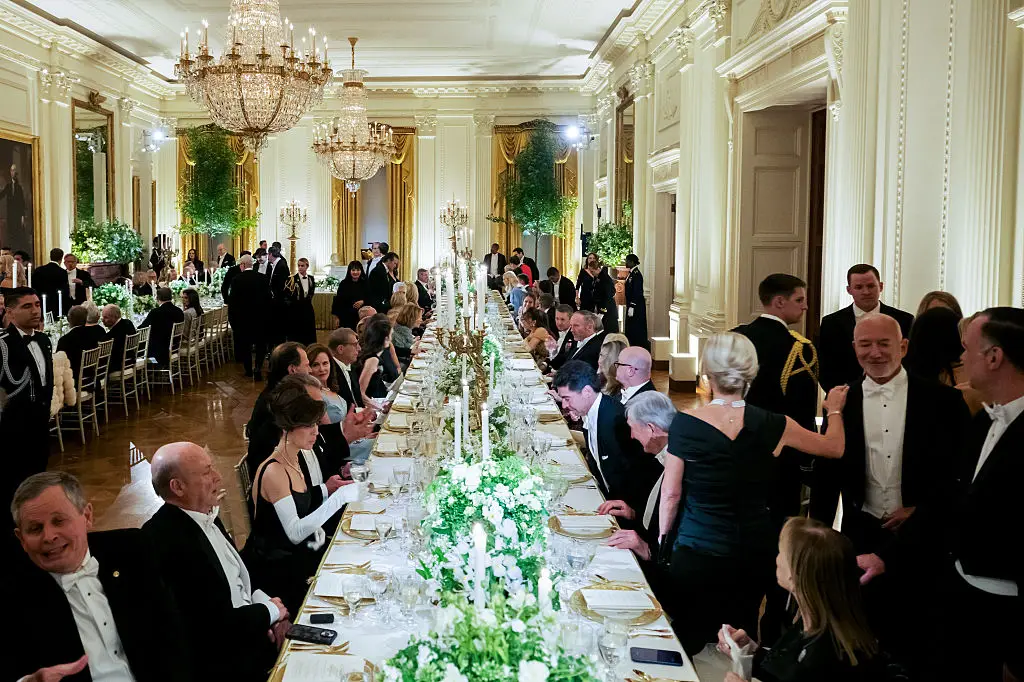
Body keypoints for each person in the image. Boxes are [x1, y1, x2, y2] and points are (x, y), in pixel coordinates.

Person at [858, 307, 1024, 682]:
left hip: (1008, 613)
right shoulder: (984, 419)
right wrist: (887, 557)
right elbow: (951, 497)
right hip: (960, 593)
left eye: (966, 348)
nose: (960, 358)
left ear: (994, 357)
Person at [659, 331, 849, 655]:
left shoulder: (685, 424)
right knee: (739, 636)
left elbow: (672, 494)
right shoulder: (776, 423)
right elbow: (834, 447)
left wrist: (664, 540)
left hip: (696, 548)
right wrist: (834, 410)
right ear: (753, 373)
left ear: (706, 372)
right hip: (753, 550)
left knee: (688, 634)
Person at [810, 314, 970, 656]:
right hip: (861, 530)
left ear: (904, 347)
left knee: (919, 630)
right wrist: (818, 539)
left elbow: (960, 473)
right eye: (865, 345)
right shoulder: (841, 402)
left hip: (923, 534)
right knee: (862, 630)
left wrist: (920, 510)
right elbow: (828, 476)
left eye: (884, 344)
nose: (875, 353)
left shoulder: (943, 400)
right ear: (854, 348)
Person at [9, 471, 193, 681]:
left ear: (87, 516)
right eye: (35, 529)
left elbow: (175, 634)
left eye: (59, 521)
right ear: (21, 539)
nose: (49, 536)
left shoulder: (132, 550)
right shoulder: (12, 597)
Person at [143, 443, 287, 682]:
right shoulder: (164, 540)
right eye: (206, 472)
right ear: (177, 487)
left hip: (251, 632)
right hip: (225, 664)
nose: (218, 477)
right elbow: (209, 625)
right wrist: (269, 612)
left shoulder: (203, 513)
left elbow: (236, 577)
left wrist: (272, 610)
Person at [241, 379, 364, 615]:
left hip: (301, 556)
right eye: (309, 425)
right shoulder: (275, 471)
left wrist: (330, 492)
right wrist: (339, 498)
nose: (316, 431)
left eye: (315, 423)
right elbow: (295, 532)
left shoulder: (294, 459)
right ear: (288, 428)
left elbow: (303, 503)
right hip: (279, 574)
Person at [718, 517, 882, 682]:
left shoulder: (824, 655)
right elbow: (786, 670)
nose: (777, 558)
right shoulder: (814, 623)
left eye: (781, 552)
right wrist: (749, 651)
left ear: (795, 575)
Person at [734, 274, 820, 532]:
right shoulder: (799, 349)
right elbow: (802, 410)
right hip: (781, 454)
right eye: (800, 300)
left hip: (737, 446)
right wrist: (808, 460)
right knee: (781, 525)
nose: (805, 306)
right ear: (780, 302)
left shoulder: (736, 338)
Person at [552, 360, 660, 511]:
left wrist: (633, 512)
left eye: (567, 398)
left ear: (587, 391)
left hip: (625, 509)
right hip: (606, 496)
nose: (564, 405)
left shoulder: (615, 420)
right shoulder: (592, 412)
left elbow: (641, 471)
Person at [600, 392, 676, 584]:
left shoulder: (680, 464)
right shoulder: (662, 454)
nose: (632, 436)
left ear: (651, 429)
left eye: (633, 428)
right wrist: (633, 513)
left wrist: (647, 549)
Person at [818, 264, 914, 391]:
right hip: (846, 395)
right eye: (859, 287)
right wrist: (843, 394)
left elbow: (911, 361)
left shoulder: (904, 320)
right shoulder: (831, 323)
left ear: (881, 286)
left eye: (870, 286)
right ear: (849, 290)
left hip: (896, 392)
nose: (866, 292)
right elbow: (825, 366)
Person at [0, 288, 52, 512]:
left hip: (40, 424)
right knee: (13, 485)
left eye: (37, 305)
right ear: (10, 312)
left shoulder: (43, 340)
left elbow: (46, 382)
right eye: (27, 306)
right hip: (12, 428)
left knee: (38, 480)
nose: (35, 311)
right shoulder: (3, 344)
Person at [306, 344, 376, 470]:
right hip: (343, 450)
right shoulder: (315, 395)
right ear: (308, 368)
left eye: (325, 363)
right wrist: (358, 437)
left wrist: (361, 432)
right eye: (315, 365)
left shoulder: (330, 389)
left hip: (353, 441)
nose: (322, 369)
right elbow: (329, 434)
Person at [246, 342, 310, 472]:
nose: (310, 370)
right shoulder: (281, 404)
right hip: (274, 473)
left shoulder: (276, 393)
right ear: (292, 369)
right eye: (307, 365)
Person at [228, 254, 272, 379]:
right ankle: (258, 367)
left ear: (242, 265)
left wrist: (232, 319)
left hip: (243, 320)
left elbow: (233, 302)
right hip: (261, 319)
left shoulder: (236, 280)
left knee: (245, 345)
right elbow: (269, 300)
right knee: (260, 345)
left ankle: (248, 369)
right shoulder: (263, 278)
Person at [57, 304, 107, 382]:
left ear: (69, 320)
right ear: (86, 318)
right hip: (93, 376)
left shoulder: (65, 340)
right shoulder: (93, 335)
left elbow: (59, 364)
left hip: (75, 381)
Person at [139, 286, 185, 366]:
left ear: (158, 298)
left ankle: (150, 367)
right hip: (175, 346)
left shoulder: (156, 312)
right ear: (171, 297)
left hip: (159, 351)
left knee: (139, 347)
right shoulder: (179, 311)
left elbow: (143, 328)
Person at [354, 317, 393, 405]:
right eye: (391, 335)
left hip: (374, 399)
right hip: (366, 405)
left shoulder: (373, 353)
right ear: (386, 338)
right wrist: (379, 407)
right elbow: (360, 393)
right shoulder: (372, 360)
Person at [328, 327, 364, 410]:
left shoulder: (351, 367)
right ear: (340, 349)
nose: (359, 348)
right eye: (355, 345)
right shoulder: (330, 372)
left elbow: (357, 401)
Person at [30, 247, 70, 317]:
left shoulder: (38, 270)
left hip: (40, 302)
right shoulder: (62, 272)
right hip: (56, 305)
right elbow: (64, 291)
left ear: (50, 256)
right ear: (61, 258)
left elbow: (33, 287)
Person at [265, 246, 291, 348]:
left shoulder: (281, 265)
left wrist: (274, 294)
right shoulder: (276, 265)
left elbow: (282, 285)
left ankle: (280, 346)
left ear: (271, 254)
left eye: (268, 254)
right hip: (277, 301)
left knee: (280, 326)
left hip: (280, 302)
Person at [288, 258, 317, 346]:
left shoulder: (311, 279)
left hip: (308, 309)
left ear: (307, 266)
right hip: (296, 310)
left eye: (302, 266)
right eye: (299, 265)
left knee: (309, 332)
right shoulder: (292, 279)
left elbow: (311, 293)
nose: (300, 267)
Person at [622, 254, 649, 349]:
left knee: (636, 327)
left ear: (632, 262)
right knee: (631, 326)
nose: (626, 263)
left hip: (636, 306)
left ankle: (637, 345)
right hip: (631, 304)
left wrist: (632, 305)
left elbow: (637, 291)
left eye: (627, 261)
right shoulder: (631, 273)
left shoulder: (637, 275)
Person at [332, 260, 368, 331]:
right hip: (346, 317)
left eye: (358, 270)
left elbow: (371, 297)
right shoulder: (343, 284)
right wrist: (336, 317)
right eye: (353, 270)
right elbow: (338, 301)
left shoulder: (366, 283)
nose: (355, 272)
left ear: (361, 271)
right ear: (349, 271)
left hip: (361, 317)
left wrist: (363, 301)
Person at [102, 303, 136, 375]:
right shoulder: (128, 323)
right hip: (131, 360)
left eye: (106, 317)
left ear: (115, 317)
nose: (102, 320)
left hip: (120, 364)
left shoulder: (114, 334)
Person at [598, 333, 629, 397]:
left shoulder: (622, 390)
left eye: (604, 356)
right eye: (600, 355)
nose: (599, 361)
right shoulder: (600, 378)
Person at [591, 261, 618, 334]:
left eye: (592, 271)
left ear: (597, 269)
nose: (591, 273)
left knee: (608, 331)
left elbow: (608, 295)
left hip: (608, 310)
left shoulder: (605, 278)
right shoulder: (598, 277)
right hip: (602, 307)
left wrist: (602, 311)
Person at [0, 163, 27, 233]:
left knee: (18, 235)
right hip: (10, 217)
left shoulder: (19, 188)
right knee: (11, 235)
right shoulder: (8, 186)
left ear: (16, 172)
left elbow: (22, 203)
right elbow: (1, 195)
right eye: (11, 170)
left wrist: (22, 216)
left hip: (18, 217)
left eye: (14, 170)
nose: (12, 172)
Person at [548, 304, 575, 370]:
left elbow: (564, 359)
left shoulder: (573, 336)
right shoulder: (560, 331)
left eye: (562, 319)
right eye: (557, 318)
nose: (559, 323)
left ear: (571, 319)